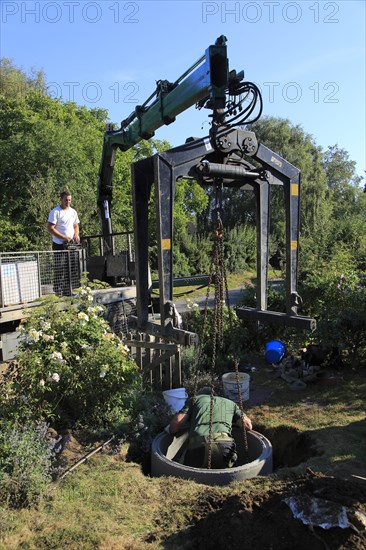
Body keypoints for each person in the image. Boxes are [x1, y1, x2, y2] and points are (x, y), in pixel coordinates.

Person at [169, 387, 253, 469]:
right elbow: (247, 426)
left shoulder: (195, 399)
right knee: (229, 476)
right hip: (224, 445)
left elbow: (176, 422)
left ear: (200, 395)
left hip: (198, 446)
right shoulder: (231, 403)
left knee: (192, 476)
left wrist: (172, 432)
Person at [47, 191, 80, 296]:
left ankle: (68, 290)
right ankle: (58, 290)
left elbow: (76, 226)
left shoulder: (73, 212)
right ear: (61, 199)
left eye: (69, 200)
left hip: (71, 244)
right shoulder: (55, 212)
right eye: (66, 200)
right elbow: (50, 228)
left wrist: (76, 234)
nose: (68, 202)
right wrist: (63, 237)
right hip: (59, 244)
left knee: (71, 267)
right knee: (60, 267)